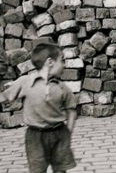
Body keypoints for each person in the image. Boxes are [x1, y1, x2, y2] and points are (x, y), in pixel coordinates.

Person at [0, 43, 77, 173]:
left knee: (61, 169)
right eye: (62, 60)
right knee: (37, 170)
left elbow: (72, 110)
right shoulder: (25, 82)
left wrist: (68, 133)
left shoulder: (62, 87)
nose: (64, 65)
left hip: (59, 133)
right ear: (50, 62)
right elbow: (5, 96)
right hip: (35, 137)